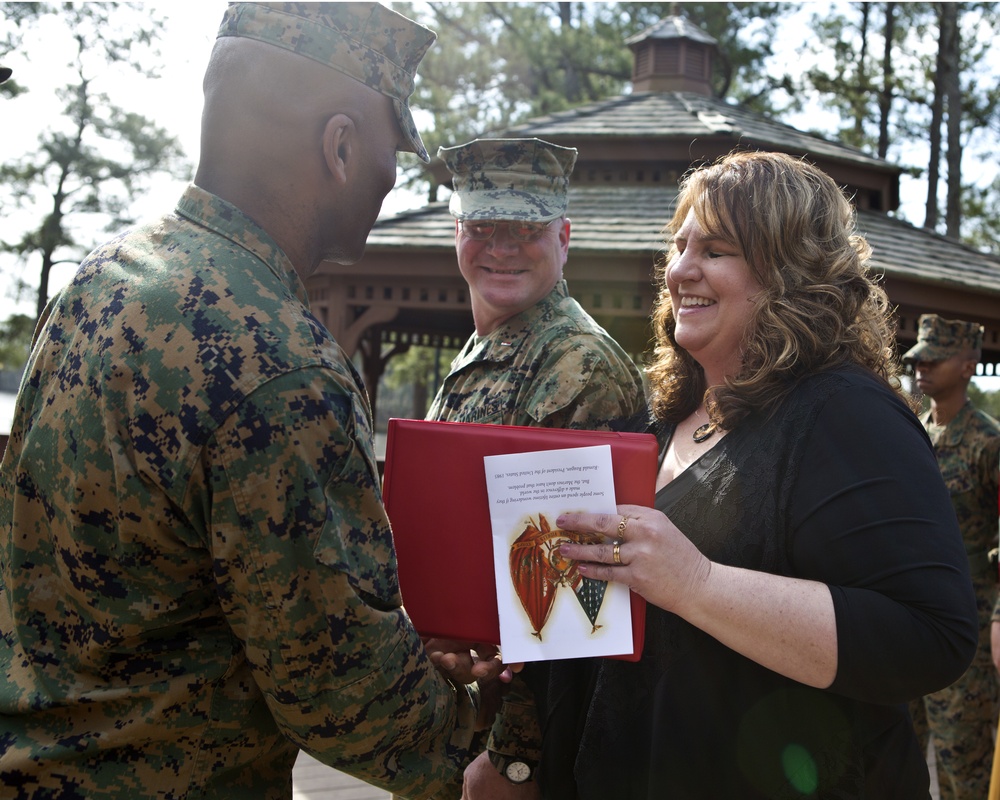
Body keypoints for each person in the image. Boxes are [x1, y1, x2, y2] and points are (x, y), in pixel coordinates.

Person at [0, 4, 505, 798]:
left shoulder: (102, 279)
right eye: (390, 151)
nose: (394, 179)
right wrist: (484, 751)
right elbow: (336, 684)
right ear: (338, 146)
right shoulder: (279, 359)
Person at [469, 150, 980, 799]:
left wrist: (697, 584)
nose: (679, 270)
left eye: (715, 250)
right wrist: (510, 670)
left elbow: (930, 636)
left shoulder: (847, 414)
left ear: (790, 271)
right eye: (679, 247)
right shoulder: (650, 430)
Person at [426, 137, 646, 794]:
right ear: (457, 232)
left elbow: (569, 596)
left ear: (564, 237)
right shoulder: (491, 347)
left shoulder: (576, 366)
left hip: (520, 745)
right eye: (484, 227)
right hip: (454, 710)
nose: (502, 246)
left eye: (525, 228)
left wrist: (513, 758)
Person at [903, 314, 1000, 800]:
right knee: (901, 756)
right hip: (909, 620)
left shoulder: (989, 442)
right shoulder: (911, 436)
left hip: (973, 629)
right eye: (919, 358)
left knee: (964, 764)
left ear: (967, 365)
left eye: (934, 358)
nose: (921, 366)